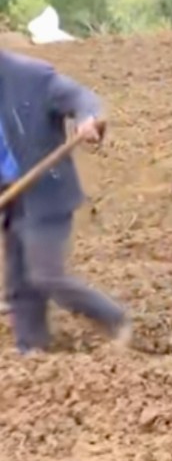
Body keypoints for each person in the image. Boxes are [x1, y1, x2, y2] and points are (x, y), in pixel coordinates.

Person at [1, 49, 130, 355]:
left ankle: (115, 318)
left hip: (46, 193)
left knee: (46, 275)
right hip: (11, 199)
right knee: (20, 283)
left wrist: (88, 120)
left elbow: (81, 98)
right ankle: (32, 349)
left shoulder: (32, 77)